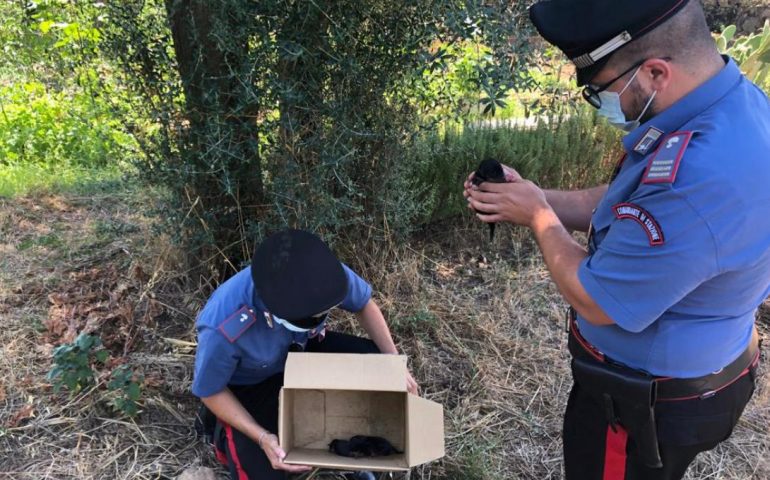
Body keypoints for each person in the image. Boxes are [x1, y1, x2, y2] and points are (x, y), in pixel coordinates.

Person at [464, 1, 768, 479]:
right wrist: (534, 196)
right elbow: (626, 203)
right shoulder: (728, 103)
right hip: (706, 365)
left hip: (643, 403)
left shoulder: (698, 176)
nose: (597, 101)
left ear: (654, 73)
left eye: (600, 89)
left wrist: (539, 216)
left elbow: (596, 300)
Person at [192, 229, 418, 480]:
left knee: (378, 368)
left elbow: (364, 304)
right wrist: (262, 437)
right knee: (265, 471)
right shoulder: (223, 324)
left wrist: (394, 364)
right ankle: (221, 433)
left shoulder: (320, 273)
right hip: (251, 386)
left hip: (304, 353)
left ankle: (357, 457)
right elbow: (210, 391)